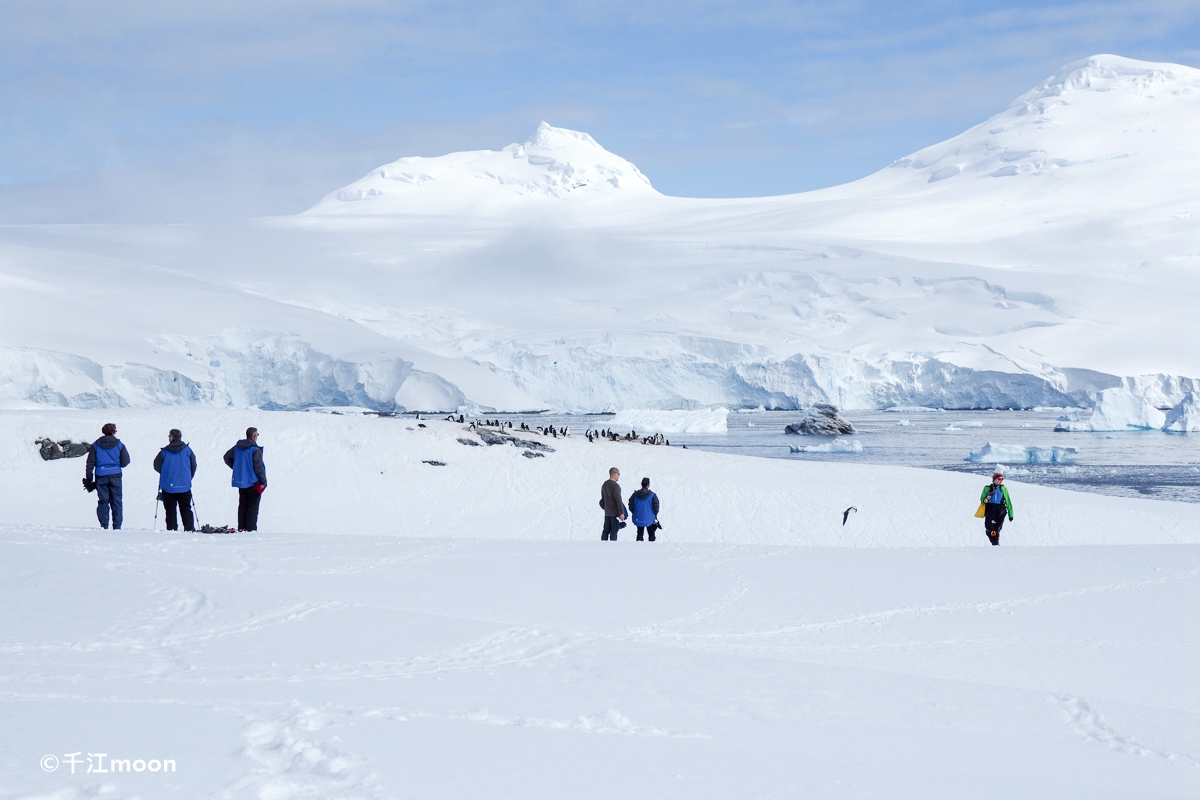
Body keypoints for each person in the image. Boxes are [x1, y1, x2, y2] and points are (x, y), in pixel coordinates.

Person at [85, 423, 130, 530]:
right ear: (113, 432)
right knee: (117, 501)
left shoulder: (96, 445)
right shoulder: (119, 445)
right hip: (116, 476)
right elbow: (126, 461)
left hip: (101, 476)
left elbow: (90, 463)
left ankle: (104, 526)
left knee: (103, 501)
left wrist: (89, 479)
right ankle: (117, 527)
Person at [224, 427, 267, 531]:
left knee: (243, 505)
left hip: (241, 481)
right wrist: (263, 480)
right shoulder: (255, 450)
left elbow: (226, 457)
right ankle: (251, 530)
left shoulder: (238, 447)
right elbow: (258, 467)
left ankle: (242, 528)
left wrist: (237, 468)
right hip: (254, 482)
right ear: (254, 436)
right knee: (252, 507)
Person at [153, 429, 197, 532]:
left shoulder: (164, 452)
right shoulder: (188, 450)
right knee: (186, 508)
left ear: (171, 438)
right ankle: (189, 529)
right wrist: (188, 477)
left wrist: (165, 473)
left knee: (170, 510)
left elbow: (156, 465)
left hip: (168, 485)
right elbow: (193, 465)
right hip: (184, 485)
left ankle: (172, 529)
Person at [980, 472, 1014, 545]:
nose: (1001, 480)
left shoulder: (1003, 489)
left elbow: (1008, 501)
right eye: (999, 479)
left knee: (997, 528)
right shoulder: (987, 488)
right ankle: (995, 543)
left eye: (1002, 479)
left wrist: (1011, 515)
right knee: (989, 528)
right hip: (990, 509)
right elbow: (982, 499)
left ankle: (996, 544)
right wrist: (984, 501)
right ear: (994, 480)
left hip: (1000, 509)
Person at [628, 477, 661, 542]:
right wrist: (654, 514)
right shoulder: (652, 495)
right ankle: (652, 548)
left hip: (638, 517)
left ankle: (639, 548)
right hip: (650, 518)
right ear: (648, 485)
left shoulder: (635, 495)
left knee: (639, 533)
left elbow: (630, 505)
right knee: (651, 533)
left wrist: (635, 512)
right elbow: (656, 507)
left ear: (641, 484)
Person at [600, 467, 626, 541]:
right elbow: (618, 500)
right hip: (615, 513)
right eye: (618, 474)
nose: (618, 476)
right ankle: (612, 548)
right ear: (614, 473)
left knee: (606, 530)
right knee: (614, 531)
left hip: (607, 512)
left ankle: (602, 546)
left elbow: (603, 499)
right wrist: (621, 512)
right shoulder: (615, 486)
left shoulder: (604, 484)